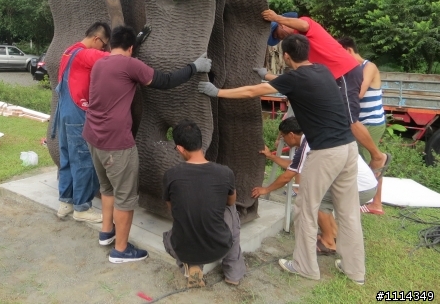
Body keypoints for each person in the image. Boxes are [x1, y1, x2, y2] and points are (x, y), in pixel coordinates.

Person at [199, 34, 366, 285]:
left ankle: (305, 266)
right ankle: (356, 271)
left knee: (305, 210)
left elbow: (251, 91)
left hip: (326, 153)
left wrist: (218, 92)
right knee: (349, 212)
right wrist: (267, 75)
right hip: (349, 149)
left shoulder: (294, 77)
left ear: (286, 56)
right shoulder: (321, 70)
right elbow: (292, 83)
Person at [83, 25, 212, 263]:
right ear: (131, 48)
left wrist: (136, 40)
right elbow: (165, 80)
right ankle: (121, 250)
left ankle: (106, 232)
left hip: (93, 136)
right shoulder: (130, 65)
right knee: (125, 197)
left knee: (107, 188)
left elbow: (123, 61)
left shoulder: (100, 63)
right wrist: (195, 67)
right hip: (116, 143)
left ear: (111, 45)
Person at [261, 9, 390, 177]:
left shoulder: (306, 26)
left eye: (278, 34)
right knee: (340, 120)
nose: (280, 39)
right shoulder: (302, 48)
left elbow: (304, 24)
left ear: (284, 24)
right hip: (336, 76)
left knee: (350, 120)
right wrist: (266, 75)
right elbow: (295, 79)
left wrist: (276, 17)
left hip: (345, 73)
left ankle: (377, 156)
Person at [253, 117, 377, 255]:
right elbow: (294, 167)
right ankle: (333, 234)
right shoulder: (313, 137)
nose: (283, 140)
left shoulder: (308, 145)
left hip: (360, 188)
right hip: (367, 184)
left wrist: (266, 189)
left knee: (317, 201)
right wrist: (271, 156)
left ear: (291, 135)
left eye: (283, 137)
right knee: (321, 197)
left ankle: (328, 243)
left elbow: (287, 176)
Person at [162, 120, 245, 288]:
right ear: (200, 143)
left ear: (180, 148)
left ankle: (192, 265)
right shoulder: (225, 173)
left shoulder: (171, 175)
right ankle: (233, 273)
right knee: (231, 210)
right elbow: (231, 201)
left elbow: (173, 210)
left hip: (182, 247)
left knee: (177, 226)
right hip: (220, 246)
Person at [51, 22, 111, 223]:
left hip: (64, 114)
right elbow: (114, 60)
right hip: (77, 116)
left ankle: (65, 203)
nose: (103, 49)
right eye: (103, 45)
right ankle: (82, 208)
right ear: (96, 39)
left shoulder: (69, 51)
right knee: (84, 161)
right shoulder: (85, 54)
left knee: (67, 159)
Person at [338, 37, 388, 215]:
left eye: (340, 52)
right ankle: (375, 202)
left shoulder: (369, 67)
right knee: (363, 161)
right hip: (359, 123)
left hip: (371, 123)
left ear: (349, 50)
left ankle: (375, 203)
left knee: (370, 162)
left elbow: (358, 93)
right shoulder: (350, 69)